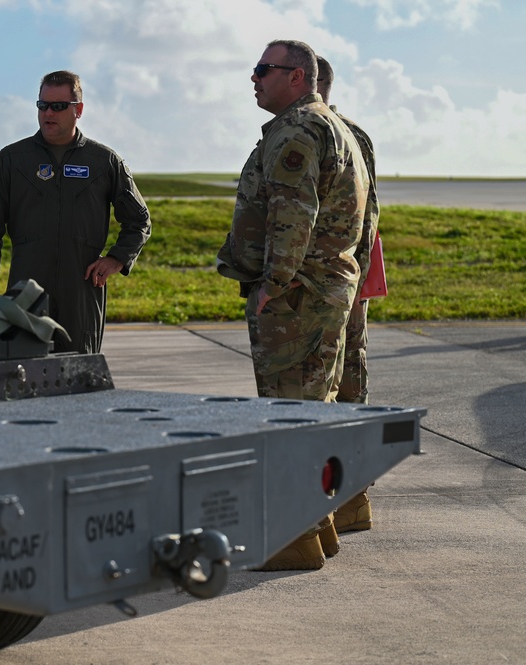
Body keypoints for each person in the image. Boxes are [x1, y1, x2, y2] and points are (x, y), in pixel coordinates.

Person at [216, 40, 370, 570]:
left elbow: (292, 213)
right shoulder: (335, 126)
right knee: (312, 411)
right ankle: (318, 525)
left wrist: (272, 284)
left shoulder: (299, 130)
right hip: (324, 291)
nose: (253, 79)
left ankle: (294, 537)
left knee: (289, 416)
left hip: (298, 297)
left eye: (264, 70)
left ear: (298, 77)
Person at [0, 70, 152, 354]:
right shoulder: (12, 160)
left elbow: (139, 220)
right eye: (42, 105)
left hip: (81, 292)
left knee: (79, 373)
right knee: (23, 371)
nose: (48, 113)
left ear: (78, 110)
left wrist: (117, 259)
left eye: (58, 106)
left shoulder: (104, 162)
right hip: (26, 292)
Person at [316, 55, 380, 535]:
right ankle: (351, 499)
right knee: (348, 382)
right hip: (348, 277)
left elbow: (362, 215)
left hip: (330, 280)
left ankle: (343, 500)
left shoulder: (326, 133)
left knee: (333, 386)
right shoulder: (351, 132)